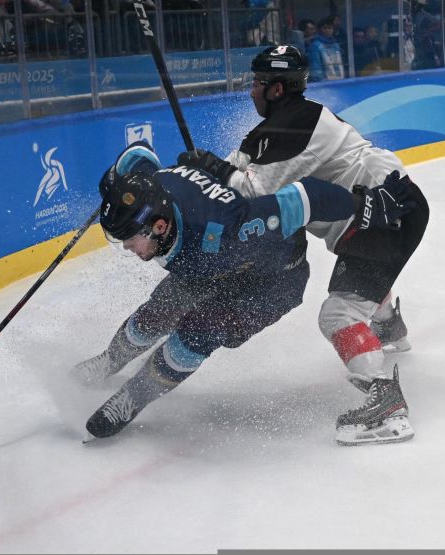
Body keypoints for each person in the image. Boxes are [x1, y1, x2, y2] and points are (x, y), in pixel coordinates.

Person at [175, 44, 431, 445]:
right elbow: (238, 166)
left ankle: (386, 404)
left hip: (383, 216)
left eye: (258, 83)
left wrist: (210, 169)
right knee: (362, 277)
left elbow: (252, 192)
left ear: (277, 89)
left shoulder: (294, 128)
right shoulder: (287, 122)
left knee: (338, 316)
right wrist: (198, 173)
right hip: (386, 212)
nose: (252, 90)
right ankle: (388, 325)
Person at [75, 141, 416, 441]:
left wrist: (368, 204)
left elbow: (310, 195)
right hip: (210, 265)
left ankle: (132, 399)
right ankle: (110, 360)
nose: (128, 248)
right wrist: (113, 183)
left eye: (130, 241)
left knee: (197, 333)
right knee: (159, 310)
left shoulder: (230, 225)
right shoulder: (152, 185)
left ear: (158, 226)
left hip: (273, 281)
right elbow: (138, 156)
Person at [307, 17, 345, 82]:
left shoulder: (336, 45)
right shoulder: (316, 45)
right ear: (319, 30)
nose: (328, 30)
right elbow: (316, 69)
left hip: (340, 81)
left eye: (330, 28)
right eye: (325, 28)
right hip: (325, 84)